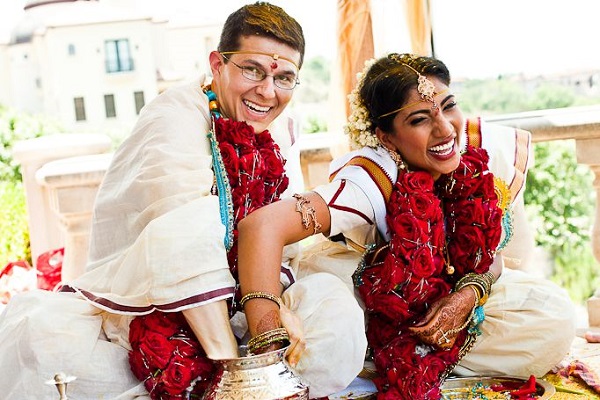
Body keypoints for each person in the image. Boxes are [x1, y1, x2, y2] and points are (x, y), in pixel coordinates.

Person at [0, 3, 366, 399]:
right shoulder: (173, 116)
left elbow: (277, 235)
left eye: (284, 77)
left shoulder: (280, 129)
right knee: (50, 354)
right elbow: (182, 242)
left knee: (335, 311)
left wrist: (272, 314)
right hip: (155, 304)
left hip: (246, 298)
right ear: (217, 64)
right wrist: (236, 374)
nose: (267, 91)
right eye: (252, 70)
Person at [236, 53, 577, 399]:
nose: (445, 129)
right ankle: (373, 364)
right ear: (387, 138)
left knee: (553, 317)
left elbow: (491, 257)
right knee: (333, 339)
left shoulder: (474, 157)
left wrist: (467, 295)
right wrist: (268, 339)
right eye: (419, 120)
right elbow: (261, 227)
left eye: (449, 106)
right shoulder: (371, 180)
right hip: (360, 312)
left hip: (435, 310)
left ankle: (410, 365)